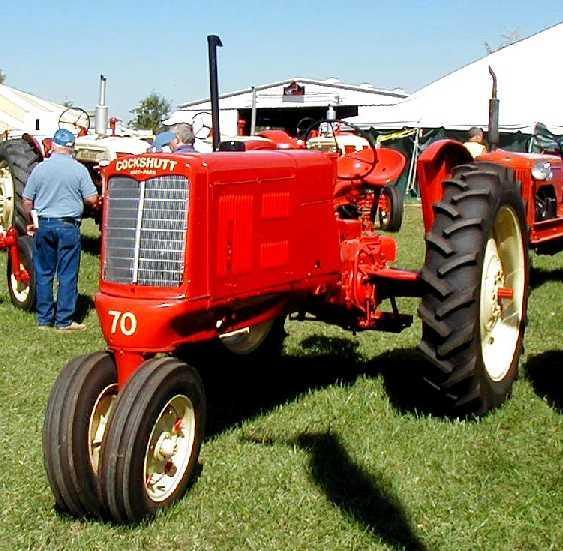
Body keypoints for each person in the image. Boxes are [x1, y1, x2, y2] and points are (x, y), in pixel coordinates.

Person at [22, 128, 98, 331]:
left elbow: (27, 200)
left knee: (44, 272)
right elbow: (92, 198)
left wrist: (32, 218)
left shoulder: (40, 169)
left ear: (53, 146)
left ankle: (44, 319)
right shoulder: (79, 169)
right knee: (67, 274)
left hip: (45, 225)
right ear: (72, 148)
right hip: (68, 226)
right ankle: (64, 320)